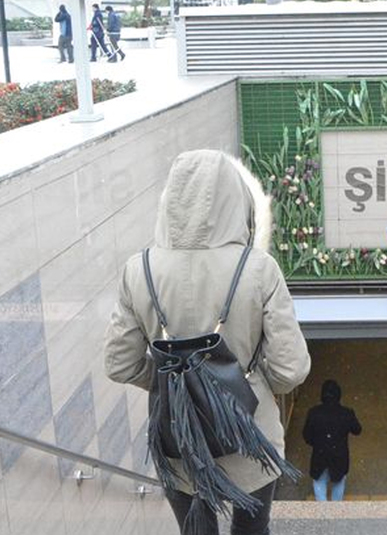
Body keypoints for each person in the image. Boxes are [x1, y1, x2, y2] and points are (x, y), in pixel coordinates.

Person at [104, 150, 311, 535]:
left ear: (170, 201)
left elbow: (120, 364)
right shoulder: (259, 268)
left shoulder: (140, 269)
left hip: (177, 438)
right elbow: (290, 370)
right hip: (252, 438)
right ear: (236, 200)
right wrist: (244, 380)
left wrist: (178, 380)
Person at [302, 379, 362, 501]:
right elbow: (357, 430)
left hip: (320, 454)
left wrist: (317, 442)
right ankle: (335, 511)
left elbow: (306, 436)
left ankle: (323, 512)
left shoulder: (314, 413)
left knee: (319, 482)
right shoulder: (347, 413)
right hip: (339, 455)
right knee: (338, 482)